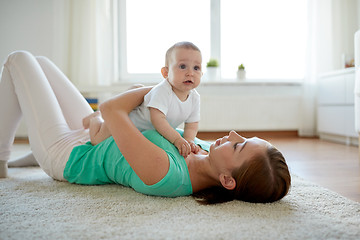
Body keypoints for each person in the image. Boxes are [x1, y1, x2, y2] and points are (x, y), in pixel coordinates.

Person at [0, 50, 291, 204]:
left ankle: (2, 157)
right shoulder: (201, 150)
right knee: (40, 62)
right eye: (243, 136)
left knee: (19, 60)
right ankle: (23, 157)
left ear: (228, 180)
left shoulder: (166, 174)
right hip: (95, 135)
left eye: (238, 145)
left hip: (70, 155)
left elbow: (112, 109)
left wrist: (172, 83)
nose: (232, 134)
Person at [82, 41, 202, 158]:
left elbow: (192, 124)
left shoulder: (195, 98)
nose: (190, 73)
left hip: (144, 131)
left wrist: (189, 140)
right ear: (166, 73)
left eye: (196, 68)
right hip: (125, 120)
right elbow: (158, 120)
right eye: (182, 66)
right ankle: (95, 118)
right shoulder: (163, 91)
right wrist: (177, 139)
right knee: (97, 141)